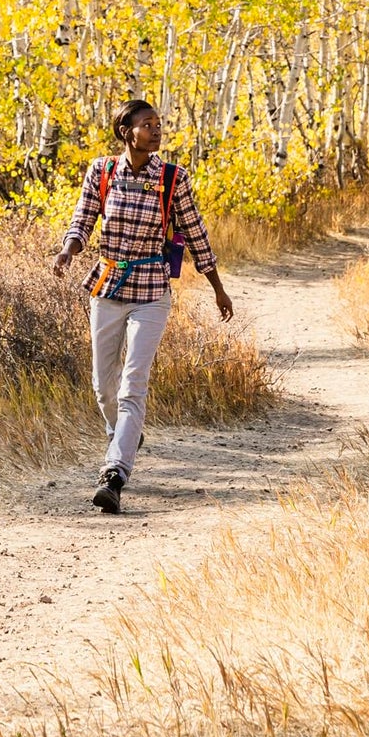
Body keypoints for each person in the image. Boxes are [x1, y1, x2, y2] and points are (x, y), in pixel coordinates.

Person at [54, 100, 233, 514]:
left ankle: (114, 472)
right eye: (147, 125)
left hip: (152, 291)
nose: (156, 131)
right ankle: (126, 435)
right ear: (126, 132)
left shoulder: (173, 178)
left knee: (134, 381)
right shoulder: (102, 172)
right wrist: (67, 251)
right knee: (104, 388)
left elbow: (196, 234)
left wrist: (218, 289)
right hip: (107, 285)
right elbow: (82, 220)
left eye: (158, 125)